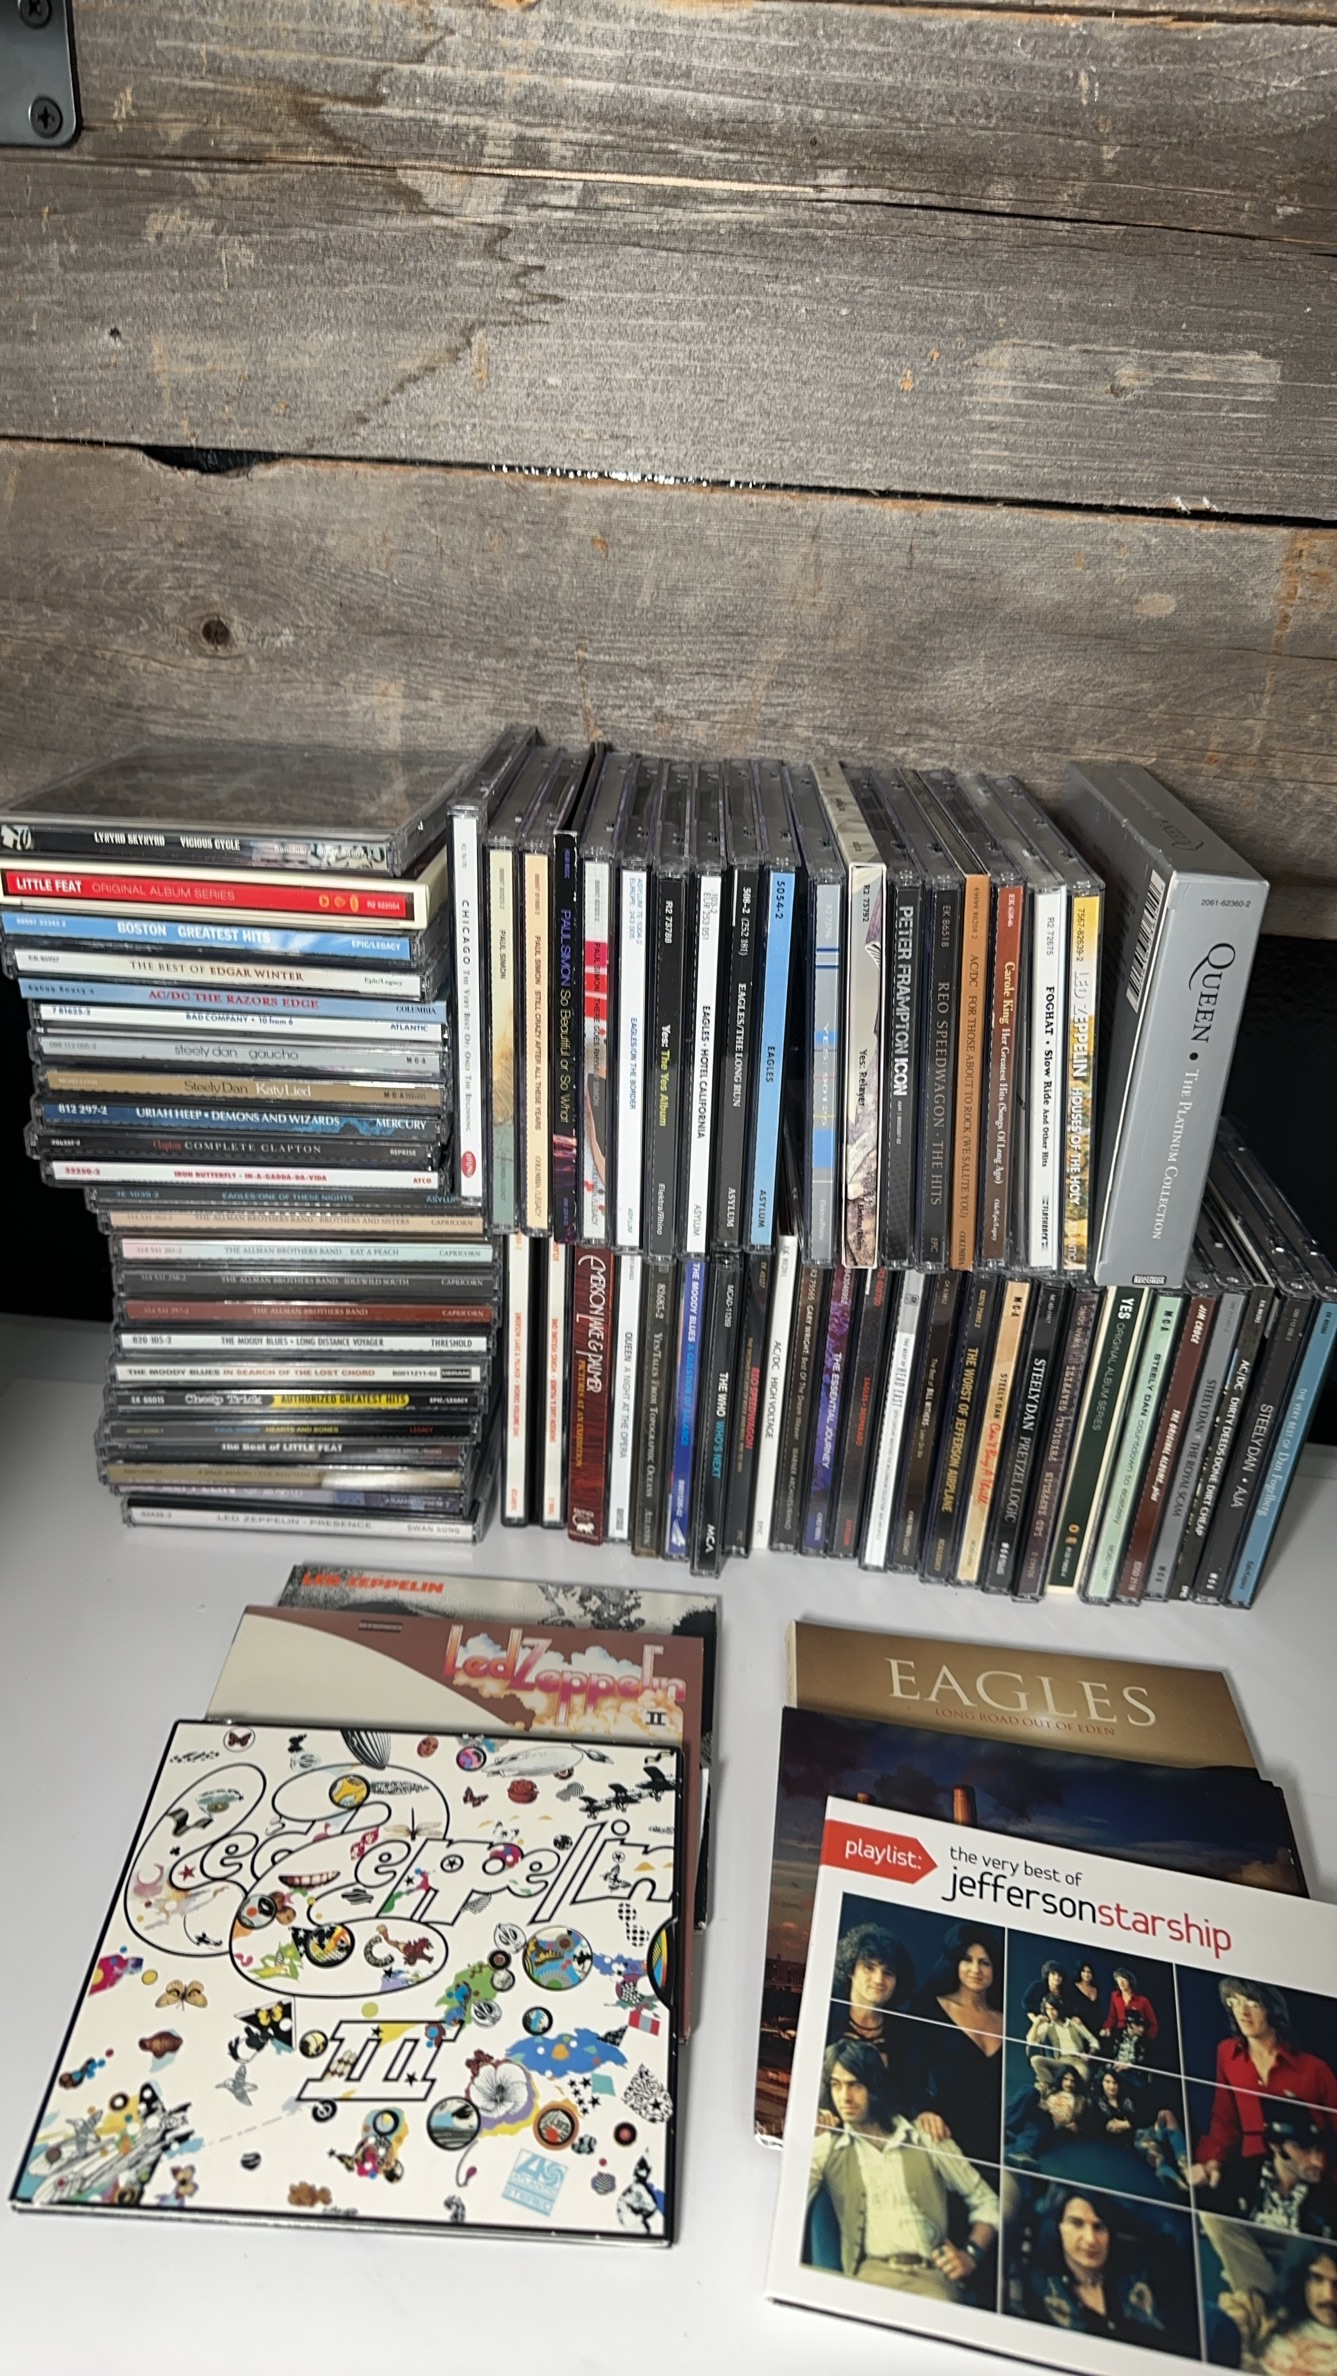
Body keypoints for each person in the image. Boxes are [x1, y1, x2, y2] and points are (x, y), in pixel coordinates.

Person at [808, 2038, 1000, 2300]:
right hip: (870, 2277)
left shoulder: (925, 2135)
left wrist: (970, 2255)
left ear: (874, 2086)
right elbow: (789, 2198)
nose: (845, 2097)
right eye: (836, 2085)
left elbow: (987, 2201)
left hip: (932, 2278)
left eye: (855, 2085)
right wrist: (807, 2129)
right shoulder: (828, 2145)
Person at [1193, 1981, 1337, 2187]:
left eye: (1252, 2003)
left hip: (1309, 2173)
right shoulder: (1227, 2053)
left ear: (1271, 2008)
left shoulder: (1314, 2069)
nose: (1242, 2012)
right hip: (1253, 2175)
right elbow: (1224, 2121)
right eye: (1235, 2002)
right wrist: (1211, 2162)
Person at [1013, 2184, 1178, 2349]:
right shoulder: (1037, 2289)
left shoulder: (1139, 2278)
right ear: (1057, 2228)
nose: (1091, 2239)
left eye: (1099, 2227)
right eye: (1077, 2223)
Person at [826, 1922, 945, 2140]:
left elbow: (914, 2087)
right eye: (869, 1968)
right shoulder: (828, 2018)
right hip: (830, 2124)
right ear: (851, 1970)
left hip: (886, 2130)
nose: (879, 1980)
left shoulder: (903, 2030)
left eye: (888, 1973)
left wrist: (926, 2112)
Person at [915, 1923, 1006, 2169]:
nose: (976, 1970)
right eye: (967, 1960)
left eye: (985, 1962)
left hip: (1001, 2140)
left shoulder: (1007, 2018)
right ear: (954, 1961)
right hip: (945, 2135)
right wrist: (924, 2111)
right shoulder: (930, 2009)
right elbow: (910, 2077)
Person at [1211, 2107, 1337, 2240]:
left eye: (1319, 2150)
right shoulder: (1238, 2177)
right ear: (1276, 2146)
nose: (1318, 2162)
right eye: (1304, 2149)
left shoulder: (1330, 2197)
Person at [1027, 1993, 1102, 2090]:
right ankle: (1052, 2089)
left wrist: (1090, 2054)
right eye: (1047, 2009)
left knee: (1083, 2076)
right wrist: (1036, 2024)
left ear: (1059, 2009)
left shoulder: (1074, 2023)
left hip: (1078, 2061)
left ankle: (1077, 2096)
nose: (1050, 2012)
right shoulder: (1048, 2026)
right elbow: (1031, 2041)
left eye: (1053, 2009)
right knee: (1036, 2060)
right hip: (1061, 2061)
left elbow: (1094, 2041)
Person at [1102, 1965, 1160, 2052]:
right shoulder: (1114, 1996)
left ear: (1129, 1980)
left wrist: (1147, 2040)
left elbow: (1153, 2024)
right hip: (1120, 2035)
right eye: (1118, 1980)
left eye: (1123, 1979)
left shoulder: (1143, 2001)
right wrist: (1107, 2028)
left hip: (1137, 2037)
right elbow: (1112, 2017)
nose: (1121, 1983)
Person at [1024, 1956, 1072, 2020]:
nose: (1056, 1977)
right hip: (1040, 2020)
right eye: (1053, 1974)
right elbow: (1026, 2004)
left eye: (1059, 1975)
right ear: (1047, 1975)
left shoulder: (1066, 1991)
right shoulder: (1037, 1986)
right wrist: (1035, 2019)